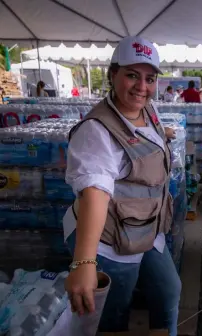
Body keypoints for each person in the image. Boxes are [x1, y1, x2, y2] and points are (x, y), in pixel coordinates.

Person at [64, 36, 181, 335]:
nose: (142, 86)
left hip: (147, 229)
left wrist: (163, 134)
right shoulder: (96, 131)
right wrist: (84, 262)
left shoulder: (147, 110)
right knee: (115, 315)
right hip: (111, 243)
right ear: (113, 74)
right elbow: (95, 193)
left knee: (168, 292)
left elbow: (140, 139)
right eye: (132, 75)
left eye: (149, 78)